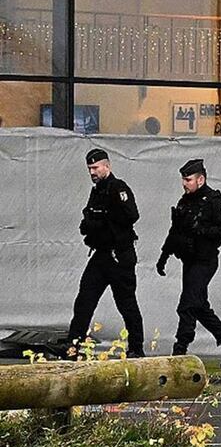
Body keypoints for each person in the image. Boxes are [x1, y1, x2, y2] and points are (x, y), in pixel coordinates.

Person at [157, 158, 221, 368]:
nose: (184, 184)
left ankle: (180, 353)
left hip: (205, 261)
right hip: (189, 260)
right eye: (183, 180)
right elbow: (175, 231)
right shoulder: (185, 201)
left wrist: (204, 231)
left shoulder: (214, 201)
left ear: (200, 179)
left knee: (187, 305)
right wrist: (164, 255)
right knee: (199, 306)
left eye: (188, 180)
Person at [68, 148, 146, 358]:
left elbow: (132, 215)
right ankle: (73, 346)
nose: (92, 172)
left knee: (126, 303)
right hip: (101, 255)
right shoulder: (97, 191)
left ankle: (137, 349)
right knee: (84, 300)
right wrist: (92, 223)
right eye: (89, 168)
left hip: (119, 255)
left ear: (106, 166)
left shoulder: (118, 188)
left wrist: (105, 218)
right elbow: (88, 219)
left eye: (95, 167)